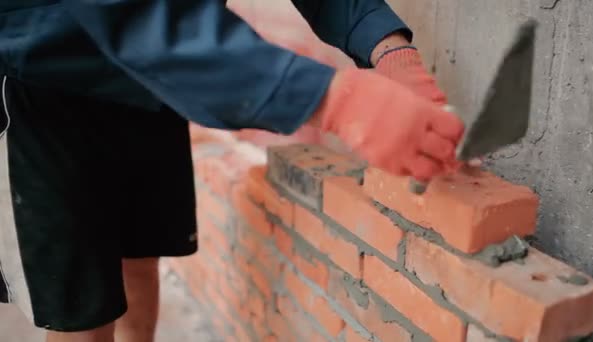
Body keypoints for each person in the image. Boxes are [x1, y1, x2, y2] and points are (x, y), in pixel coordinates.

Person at [0, 1, 464, 341]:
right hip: (54, 84)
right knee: (81, 309)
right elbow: (136, 16)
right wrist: (334, 100)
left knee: (141, 259)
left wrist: (385, 46)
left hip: (150, 89)